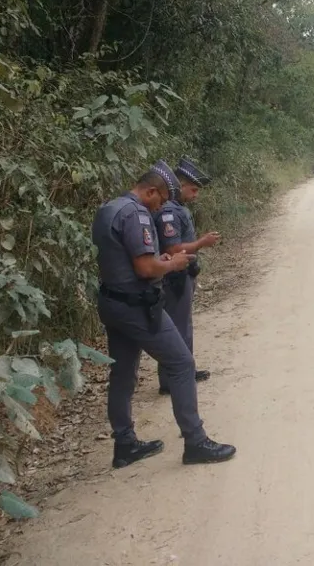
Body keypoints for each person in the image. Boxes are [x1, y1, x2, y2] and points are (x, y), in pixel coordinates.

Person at [91, 160, 236, 468]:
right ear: (151, 191)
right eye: (161, 200)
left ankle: (125, 444)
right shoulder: (136, 214)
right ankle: (195, 441)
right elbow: (145, 267)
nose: (161, 208)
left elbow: (129, 258)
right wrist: (173, 264)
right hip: (137, 305)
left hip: (111, 302)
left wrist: (162, 258)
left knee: (123, 373)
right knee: (182, 364)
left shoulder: (110, 208)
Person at [154, 157, 221, 396]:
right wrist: (202, 243)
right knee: (176, 328)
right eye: (193, 189)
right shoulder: (168, 212)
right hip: (174, 278)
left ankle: (184, 370)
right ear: (180, 185)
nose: (195, 195)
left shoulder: (179, 209)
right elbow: (173, 250)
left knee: (184, 326)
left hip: (185, 276)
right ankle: (172, 379)